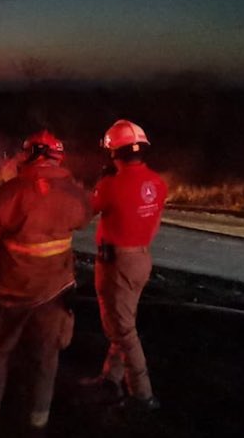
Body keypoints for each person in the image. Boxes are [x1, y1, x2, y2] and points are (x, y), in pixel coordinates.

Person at [0, 130, 91, 436]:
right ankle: (36, 423)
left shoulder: (9, 193)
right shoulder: (73, 193)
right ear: (58, 157)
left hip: (7, 294)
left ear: (27, 155)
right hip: (53, 294)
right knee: (45, 361)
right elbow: (84, 217)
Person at [81, 120, 166, 411]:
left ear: (113, 152)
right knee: (124, 322)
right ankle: (111, 378)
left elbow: (83, 215)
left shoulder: (111, 185)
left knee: (122, 330)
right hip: (141, 258)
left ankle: (142, 395)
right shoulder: (158, 182)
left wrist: (97, 187)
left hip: (116, 262)